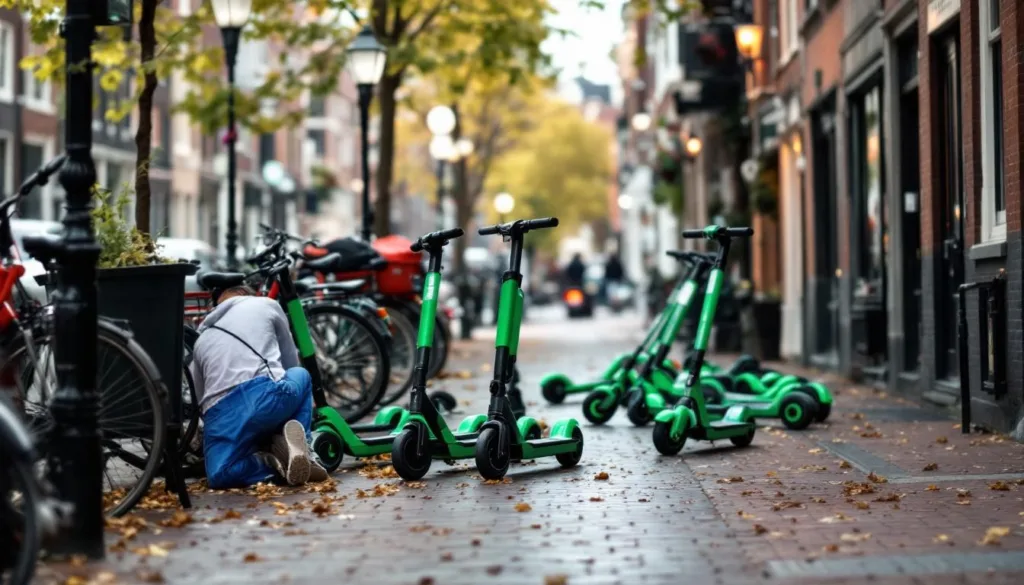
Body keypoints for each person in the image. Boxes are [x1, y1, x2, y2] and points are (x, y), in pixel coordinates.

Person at [190, 284, 328, 489]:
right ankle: (301, 449)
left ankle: (265, 462)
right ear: (245, 294)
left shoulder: (202, 338)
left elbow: (198, 395)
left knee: (220, 475)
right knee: (300, 375)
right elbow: (289, 359)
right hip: (265, 398)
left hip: (220, 415)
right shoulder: (265, 305)